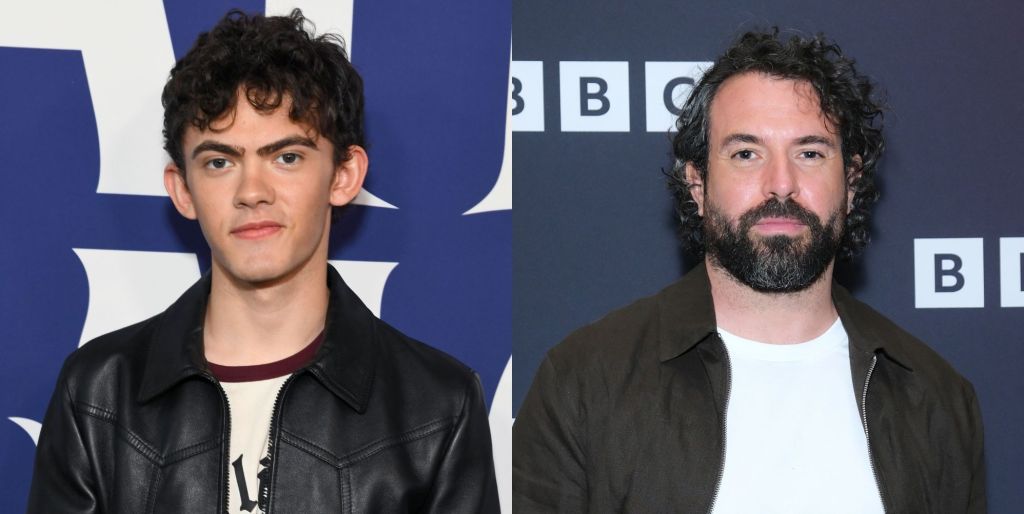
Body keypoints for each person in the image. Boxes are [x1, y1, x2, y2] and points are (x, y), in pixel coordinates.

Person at [28, 9, 498, 513]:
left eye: (287, 157)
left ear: (344, 175)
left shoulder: (436, 406)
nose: (252, 192)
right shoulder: (99, 394)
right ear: (182, 190)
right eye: (219, 162)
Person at [512, 29, 984, 513]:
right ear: (697, 185)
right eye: (746, 154)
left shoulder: (934, 395)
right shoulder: (584, 382)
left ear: (851, 184)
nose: (781, 184)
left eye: (810, 153)